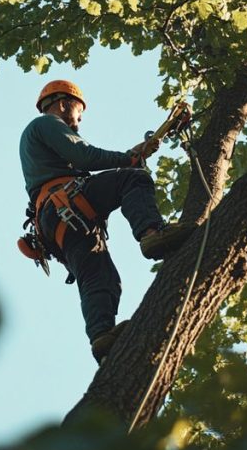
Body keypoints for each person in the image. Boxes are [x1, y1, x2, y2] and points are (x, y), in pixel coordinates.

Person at [19, 79, 193, 363]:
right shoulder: (46, 125)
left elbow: (78, 162)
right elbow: (84, 156)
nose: (79, 121)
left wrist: (135, 153)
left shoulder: (42, 145)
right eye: (79, 112)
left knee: (101, 277)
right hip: (66, 203)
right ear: (63, 104)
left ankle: (102, 337)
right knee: (133, 180)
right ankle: (152, 233)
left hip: (61, 223)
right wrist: (128, 161)